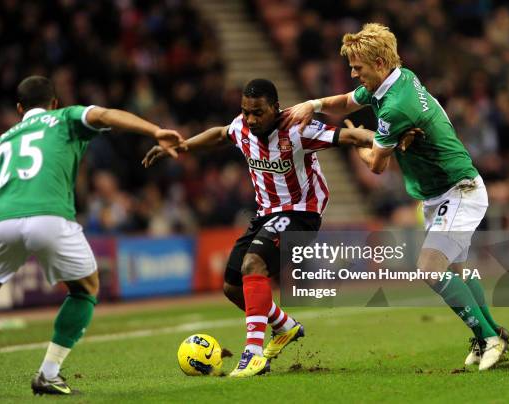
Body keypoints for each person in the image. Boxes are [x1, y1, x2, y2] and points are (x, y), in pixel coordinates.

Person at [0, 76, 184, 395]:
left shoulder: (2, 141)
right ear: (54, 102)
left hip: (2, 221)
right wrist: (154, 130)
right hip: (50, 217)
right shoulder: (65, 117)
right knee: (85, 289)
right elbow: (106, 115)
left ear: (20, 109)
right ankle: (48, 373)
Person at [143, 78, 417, 377]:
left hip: (301, 213)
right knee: (232, 288)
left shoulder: (298, 128)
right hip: (266, 214)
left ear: (275, 108)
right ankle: (284, 326)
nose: (251, 119)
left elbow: (350, 137)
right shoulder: (242, 127)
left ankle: (254, 353)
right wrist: (183, 146)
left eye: (258, 112)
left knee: (253, 265)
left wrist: (391, 139)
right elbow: (221, 134)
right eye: (246, 111)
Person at [282, 23, 509, 371]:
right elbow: (345, 101)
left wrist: (357, 137)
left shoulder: (395, 107)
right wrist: (313, 104)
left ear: (379, 62)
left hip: (458, 189)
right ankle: (493, 335)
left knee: (430, 269)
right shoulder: (397, 79)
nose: (353, 73)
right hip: (439, 192)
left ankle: (488, 338)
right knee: (460, 272)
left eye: (358, 67)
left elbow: (375, 165)